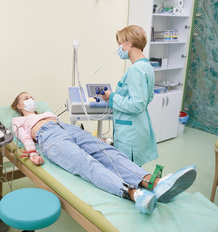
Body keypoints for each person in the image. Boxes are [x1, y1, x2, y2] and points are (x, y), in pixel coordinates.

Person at [10, 92, 197, 215]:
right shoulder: (18, 120)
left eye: (31, 96)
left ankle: (155, 182)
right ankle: (134, 194)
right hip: (49, 137)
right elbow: (25, 138)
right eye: (26, 97)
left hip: (67, 128)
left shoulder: (47, 112)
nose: (30, 98)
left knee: (107, 151)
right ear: (19, 106)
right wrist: (33, 152)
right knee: (86, 163)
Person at [100, 25, 158, 166]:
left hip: (130, 132)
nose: (119, 48)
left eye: (120, 44)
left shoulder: (136, 70)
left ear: (129, 43)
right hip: (139, 126)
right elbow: (147, 98)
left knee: (127, 172)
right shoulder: (146, 66)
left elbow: (137, 104)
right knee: (134, 170)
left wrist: (111, 97)